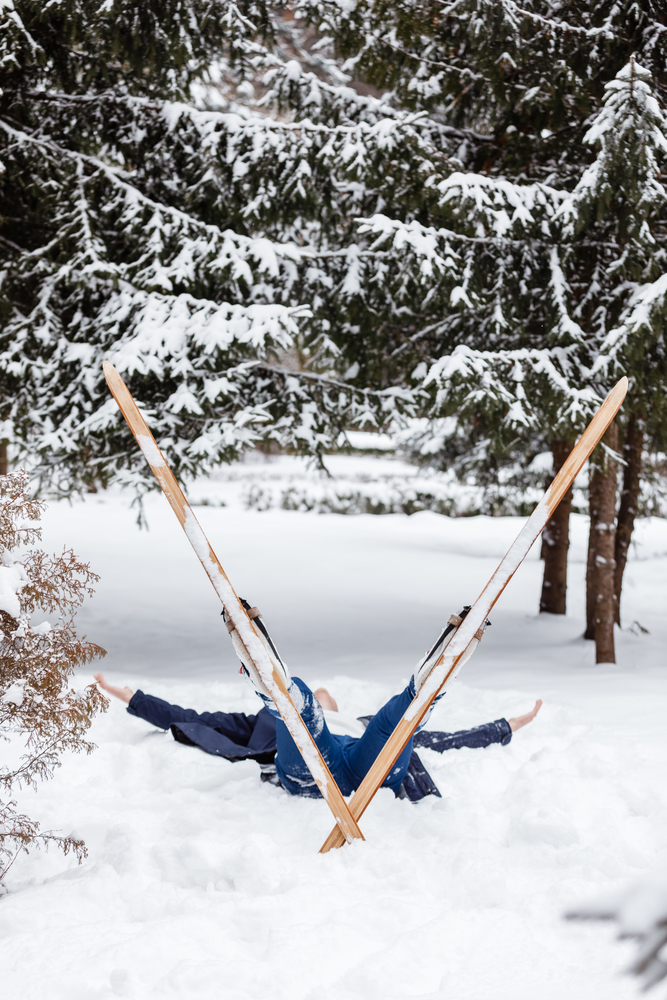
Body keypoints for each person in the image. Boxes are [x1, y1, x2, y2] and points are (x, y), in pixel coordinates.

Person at [95, 665, 542, 803]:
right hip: (309, 768)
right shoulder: (263, 724)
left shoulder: (358, 723)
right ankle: (279, 687)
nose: (330, 699)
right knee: (301, 717)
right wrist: (133, 697)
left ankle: (423, 691)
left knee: (391, 725)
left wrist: (506, 726)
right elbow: (192, 716)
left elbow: (447, 740)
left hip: (367, 768)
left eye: (330, 698)